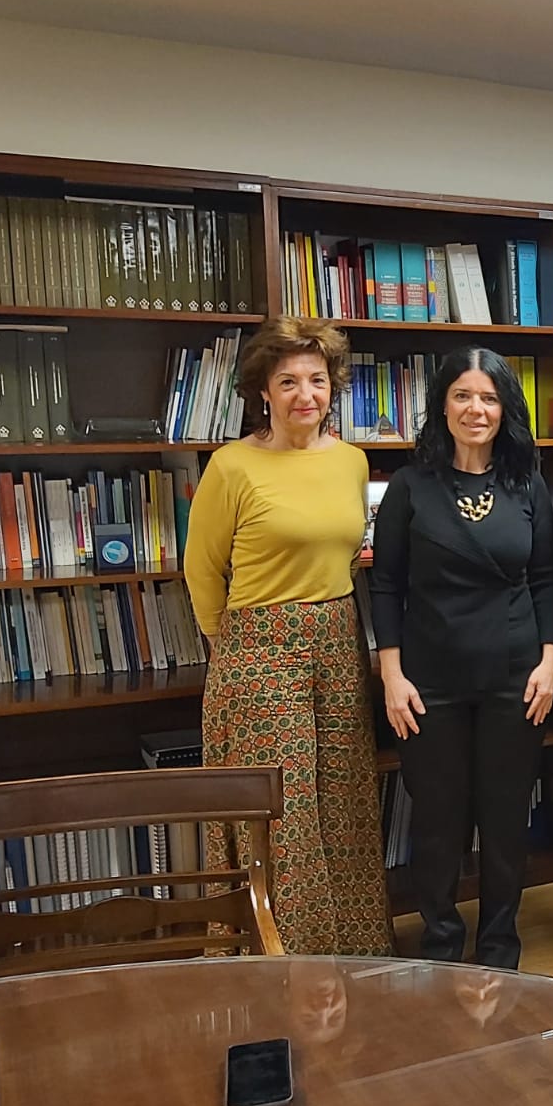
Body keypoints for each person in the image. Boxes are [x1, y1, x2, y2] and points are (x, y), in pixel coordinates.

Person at [186, 316, 390, 956]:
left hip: (337, 637)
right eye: (289, 381)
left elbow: (352, 554)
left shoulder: (353, 463)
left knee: (345, 798)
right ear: (264, 392)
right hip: (258, 646)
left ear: (333, 388)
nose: (306, 394)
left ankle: (354, 952)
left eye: (318, 380)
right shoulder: (232, 465)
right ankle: (282, 958)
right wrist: (231, 647)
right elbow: (201, 569)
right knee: (282, 808)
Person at [369, 347, 553, 969]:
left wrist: (550, 660)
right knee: (439, 820)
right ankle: (441, 945)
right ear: (442, 404)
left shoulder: (528, 482)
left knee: (506, 819)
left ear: (505, 408)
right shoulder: (409, 486)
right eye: (462, 395)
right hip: (428, 683)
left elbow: (547, 578)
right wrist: (391, 675)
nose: (475, 409)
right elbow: (386, 585)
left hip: (516, 676)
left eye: (488, 397)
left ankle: (501, 945)